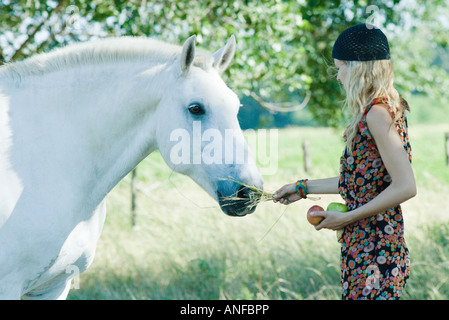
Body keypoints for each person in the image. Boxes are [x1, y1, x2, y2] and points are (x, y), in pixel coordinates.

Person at [272, 23, 417, 300]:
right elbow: (361, 183)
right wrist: (302, 188)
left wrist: (347, 218)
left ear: (359, 67)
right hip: (364, 249)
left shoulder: (377, 113)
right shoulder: (380, 110)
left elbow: (406, 186)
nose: (338, 76)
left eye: (340, 67)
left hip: (376, 252)